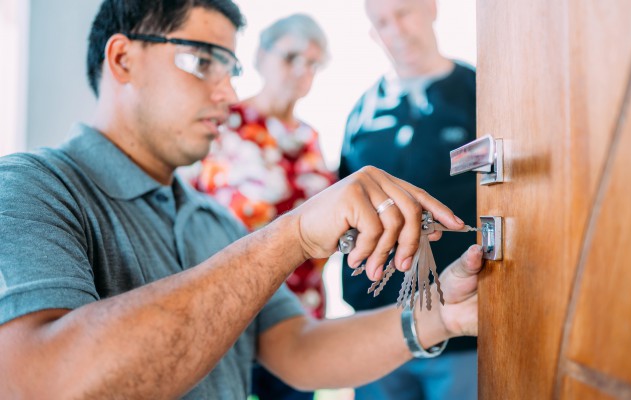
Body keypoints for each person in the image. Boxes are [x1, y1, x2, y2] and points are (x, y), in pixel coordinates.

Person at [0, 1, 483, 399]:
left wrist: (440, 314)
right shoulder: (30, 189)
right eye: (201, 61)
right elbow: (45, 382)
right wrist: (293, 233)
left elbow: (297, 347)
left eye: (230, 68)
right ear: (123, 59)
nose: (228, 92)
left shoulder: (216, 222)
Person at [184, 13, 335, 400]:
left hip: (302, 315)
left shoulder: (310, 138)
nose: (301, 70)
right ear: (262, 56)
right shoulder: (221, 124)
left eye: (312, 63)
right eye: (291, 57)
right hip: (231, 315)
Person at [338, 0, 479, 398]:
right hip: (376, 328)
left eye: (404, 12)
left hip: (460, 330)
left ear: (431, 9)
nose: (396, 29)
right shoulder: (361, 113)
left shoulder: (481, 91)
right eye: (382, 21)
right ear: (372, 32)